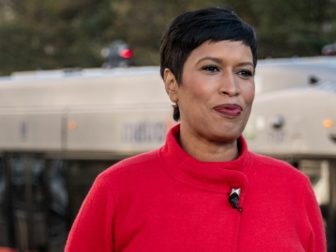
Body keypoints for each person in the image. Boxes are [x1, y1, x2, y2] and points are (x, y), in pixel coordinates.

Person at [65, 7, 326, 252]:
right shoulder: (117, 189)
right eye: (211, 68)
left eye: (245, 72)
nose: (232, 88)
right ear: (172, 84)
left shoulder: (293, 189)